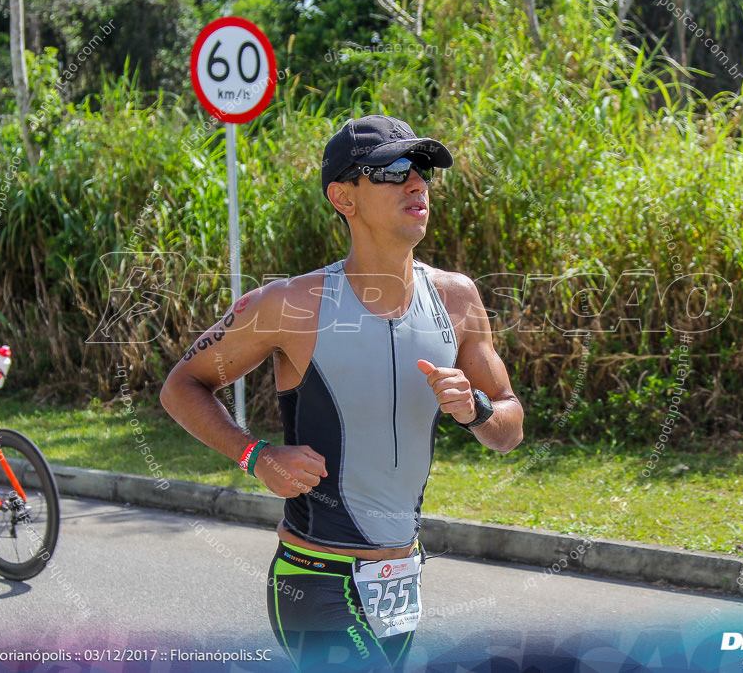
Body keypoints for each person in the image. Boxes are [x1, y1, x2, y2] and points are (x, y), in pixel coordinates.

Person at [161, 114, 524, 671]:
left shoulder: (457, 300)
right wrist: (255, 456)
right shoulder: (290, 304)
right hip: (316, 580)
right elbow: (182, 386)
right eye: (393, 169)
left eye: (422, 168)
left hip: (401, 582)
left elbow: (510, 426)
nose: (416, 181)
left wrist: (474, 409)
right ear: (343, 196)